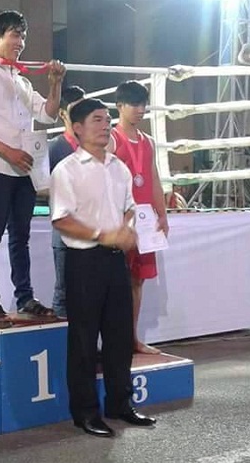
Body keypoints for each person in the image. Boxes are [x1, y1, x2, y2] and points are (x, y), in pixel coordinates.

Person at [51, 98, 156, 438]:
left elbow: (129, 207)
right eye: (97, 119)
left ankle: (120, 404)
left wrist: (126, 229)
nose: (105, 124)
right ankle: (85, 412)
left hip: (115, 260)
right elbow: (61, 219)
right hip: (84, 261)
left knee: (119, 336)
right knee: (83, 340)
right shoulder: (66, 170)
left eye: (107, 118)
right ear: (77, 128)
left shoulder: (118, 168)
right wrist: (103, 234)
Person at [0, 9, 66, 328]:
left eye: (23, 36)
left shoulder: (21, 80)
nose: (20, 42)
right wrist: (8, 151)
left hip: (25, 169)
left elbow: (48, 114)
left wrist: (55, 84)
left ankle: (25, 297)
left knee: (20, 236)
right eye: (15, 35)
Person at [108, 81, 168, 355]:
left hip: (144, 220)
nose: (140, 109)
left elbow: (153, 179)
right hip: (119, 220)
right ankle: (113, 342)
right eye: (134, 104)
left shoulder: (149, 142)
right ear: (120, 106)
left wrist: (162, 215)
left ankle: (131, 339)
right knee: (115, 282)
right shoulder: (111, 138)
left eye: (143, 104)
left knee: (137, 281)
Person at [48, 85, 85, 318]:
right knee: (63, 290)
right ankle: (63, 337)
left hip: (89, 228)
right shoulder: (55, 147)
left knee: (87, 288)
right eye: (76, 108)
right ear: (62, 113)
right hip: (64, 229)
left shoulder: (92, 146)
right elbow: (44, 186)